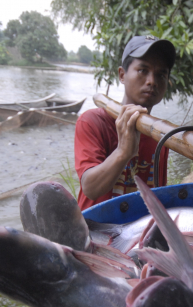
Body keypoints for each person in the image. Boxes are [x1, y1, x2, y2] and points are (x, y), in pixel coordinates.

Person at [74, 36, 176, 210]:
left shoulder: (160, 133)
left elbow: (157, 192)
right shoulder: (92, 122)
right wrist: (123, 152)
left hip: (139, 232)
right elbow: (90, 188)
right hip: (96, 231)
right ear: (122, 75)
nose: (152, 81)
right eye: (143, 70)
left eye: (161, 74)